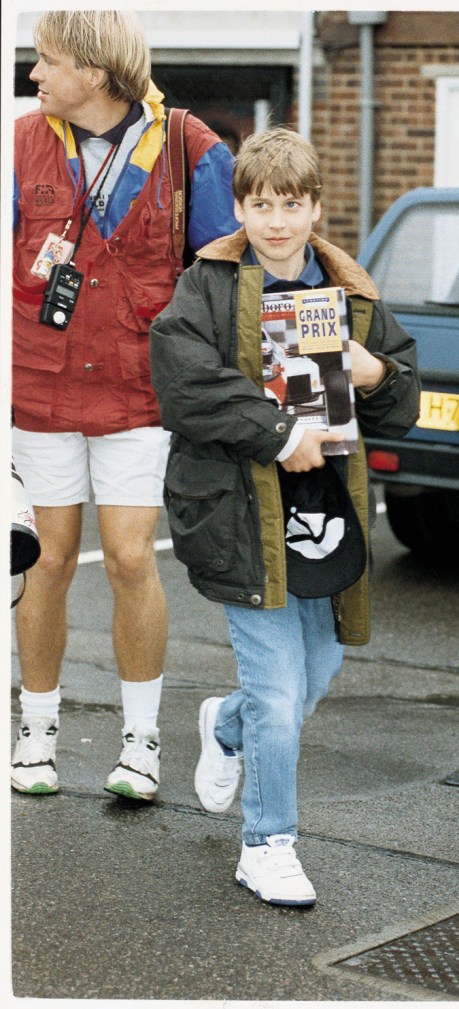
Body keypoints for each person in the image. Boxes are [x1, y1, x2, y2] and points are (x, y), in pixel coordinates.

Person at [149, 127, 420, 905]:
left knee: (314, 674)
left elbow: (403, 398)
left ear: (315, 209)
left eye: (291, 205)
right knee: (278, 689)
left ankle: (226, 725)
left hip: (327, 513)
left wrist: (377, 372)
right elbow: (184, 387)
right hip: (240, 513)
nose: (276, 222)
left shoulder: (350, 290)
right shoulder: (206, 283)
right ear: (238, 207)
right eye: (260, 205)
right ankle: (267, 843)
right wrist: (280, 433)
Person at [11, 10, 239, 801]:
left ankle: (141, 741)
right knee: (48, 557)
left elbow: (225, 278)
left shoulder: (191, 147)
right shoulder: (20, 142)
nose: (34, 76)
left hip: (140, 389)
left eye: (47, 62)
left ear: (97, 72)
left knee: (134, 557)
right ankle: (36, 729)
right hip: (37, 382)